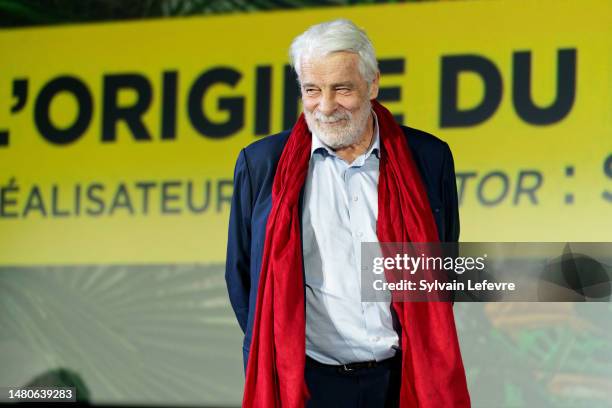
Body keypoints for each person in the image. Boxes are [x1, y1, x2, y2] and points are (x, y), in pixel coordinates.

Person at [226, 19, 470, 408]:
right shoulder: (261, 164)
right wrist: (279, 346)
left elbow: (442, 267)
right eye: (312, 90)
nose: (325, 106)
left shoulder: (429, 157)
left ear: (372, 85)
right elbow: (242, 278)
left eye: (341, 88)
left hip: (402, 379)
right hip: (306, 384)